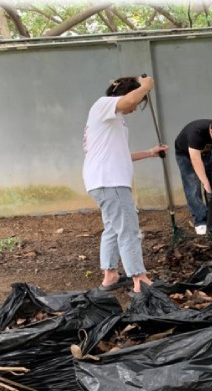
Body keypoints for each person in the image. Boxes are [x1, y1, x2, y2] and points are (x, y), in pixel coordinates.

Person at [82, 75, 169, 293]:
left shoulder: (113, 119)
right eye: (138, 102)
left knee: (113, 228)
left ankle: (110, 276)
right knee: (128, 229)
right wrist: (146, 86)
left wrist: (150, 152)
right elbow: (129, 100)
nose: (135, 107)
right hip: (109, 181)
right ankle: (140, 279)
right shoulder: (104, 104)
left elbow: (119, 154)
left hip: (103, 181)